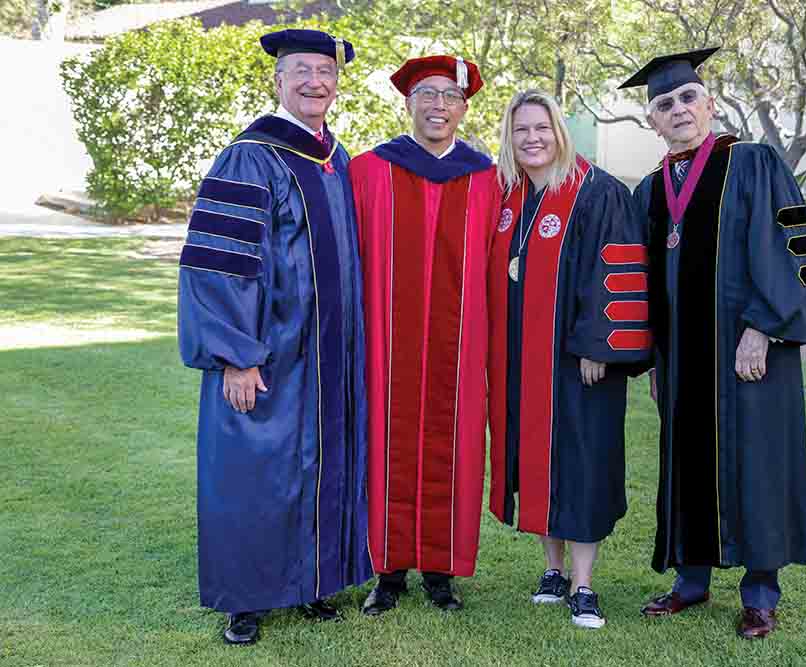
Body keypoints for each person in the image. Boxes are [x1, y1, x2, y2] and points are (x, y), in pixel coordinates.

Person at [622, 47, 806, 639]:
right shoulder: (650, 190)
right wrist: (652, 355)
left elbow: (793, 246)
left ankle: (760, 593)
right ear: (653, 121)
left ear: (708, 103)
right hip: (683, 358)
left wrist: (764, 327)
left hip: (748, 351)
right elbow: (639, 280)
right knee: (687, 461)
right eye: (664, 104)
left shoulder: (753, 163)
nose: (678, 110)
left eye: (687, 97)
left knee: (757, 462)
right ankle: (690, 582)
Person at [177, 29, 371, 645]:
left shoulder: (335, 157)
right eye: (303, 71)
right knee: (256, 470)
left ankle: (314, 583)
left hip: (329, 355)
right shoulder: (251, 155)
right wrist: (236, 356)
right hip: (271, 353)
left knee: (322, 466)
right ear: (278, 80)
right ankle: (248, 599)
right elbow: (219, 262)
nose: (317, 81)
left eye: (327, 71)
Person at [486, 90, 652, 629]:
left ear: (559, 130)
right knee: (536, 462)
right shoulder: (509, 195)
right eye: (520, 130)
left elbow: (618, 267)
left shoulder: (597, 191)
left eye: (541, 127)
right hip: (523, 360)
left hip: (580, 364)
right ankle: (552, 572)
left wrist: (598, 346)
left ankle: (584, 585)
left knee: (581, 465)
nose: (532, 138)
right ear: (509, 139)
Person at [349, 55, 500, 615]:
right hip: (386, 346)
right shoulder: (368, 171)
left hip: (460, 348)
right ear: (408, 103)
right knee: (384, 441)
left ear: (464, 108)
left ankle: (440, 571)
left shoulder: (489, 177)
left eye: (450, 96)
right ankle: (386, 572)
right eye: (427, 95)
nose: (439, 105)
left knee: (453, 441)